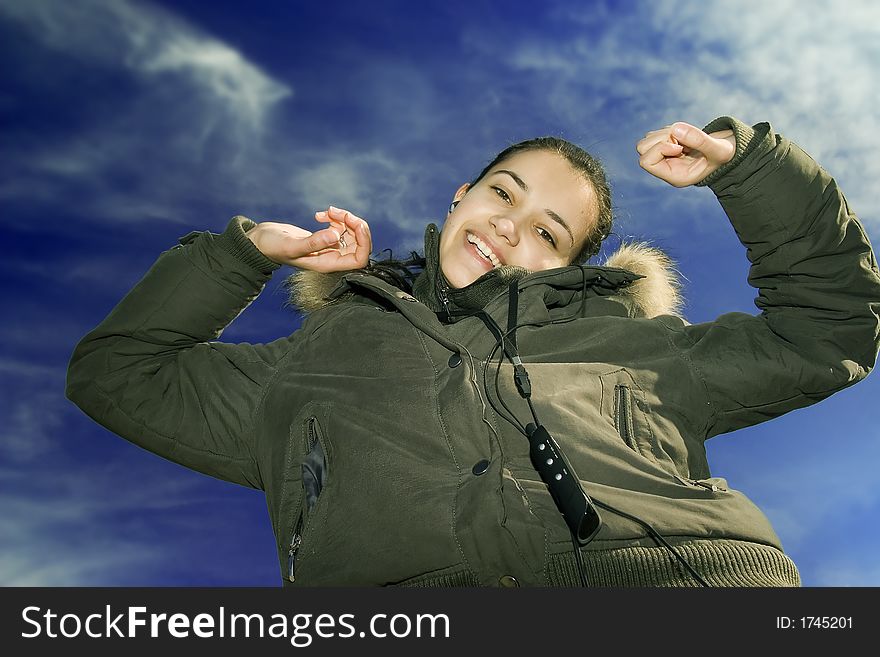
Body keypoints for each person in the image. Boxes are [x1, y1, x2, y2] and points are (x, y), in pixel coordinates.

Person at [66, 116, 880, 587]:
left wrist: (752, 170)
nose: (507, 226)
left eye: (547, 232)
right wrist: (248, 254)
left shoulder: (643, 348)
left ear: (570, 265)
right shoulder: (306, 365)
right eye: (502, 192)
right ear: (463, 194)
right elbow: (118, 371)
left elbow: (828, 331)